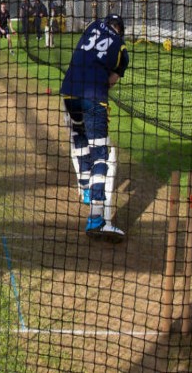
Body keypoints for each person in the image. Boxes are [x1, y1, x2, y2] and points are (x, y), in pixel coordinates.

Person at [60, 13, 129, 242]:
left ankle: (86, 189)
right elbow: (111, 80)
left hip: (69, 92)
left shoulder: (91, 26)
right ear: (120, 29)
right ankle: (97, 219)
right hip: (93, 97)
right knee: (102, 155)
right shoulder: (121, 47)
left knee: (79, 136)